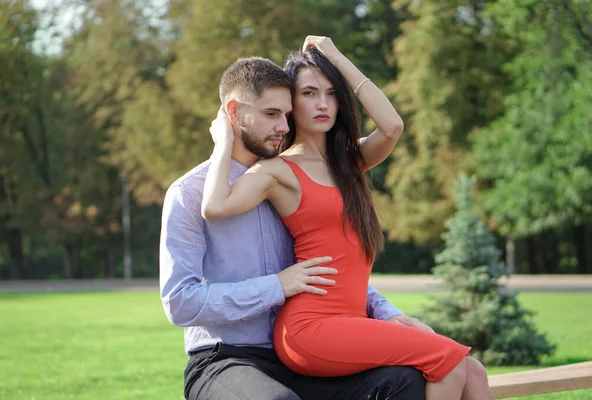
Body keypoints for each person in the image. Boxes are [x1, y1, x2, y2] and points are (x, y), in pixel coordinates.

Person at [201, 35, 493, 400]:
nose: (322, 103)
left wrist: (337, 58)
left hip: (352, 321)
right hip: (311, 328)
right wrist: (223, 143)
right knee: (448, 360)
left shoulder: (349, 163)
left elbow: (392, 127)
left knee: (474, 371)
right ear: (291, 103)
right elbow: (214, 206)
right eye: (308, 93)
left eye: (331, 93)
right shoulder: (279, 171)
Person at [159, 54, 428, 398]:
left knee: (405, 380)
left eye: (286, 115)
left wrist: (386, 313)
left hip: (297, 353)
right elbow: (180, 303)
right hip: (223, 359)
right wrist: (275, 286)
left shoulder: (293, 178)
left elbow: (327, 269)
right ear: (233, 112)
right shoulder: (188, 193)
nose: (284, 127)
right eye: (271, 115)